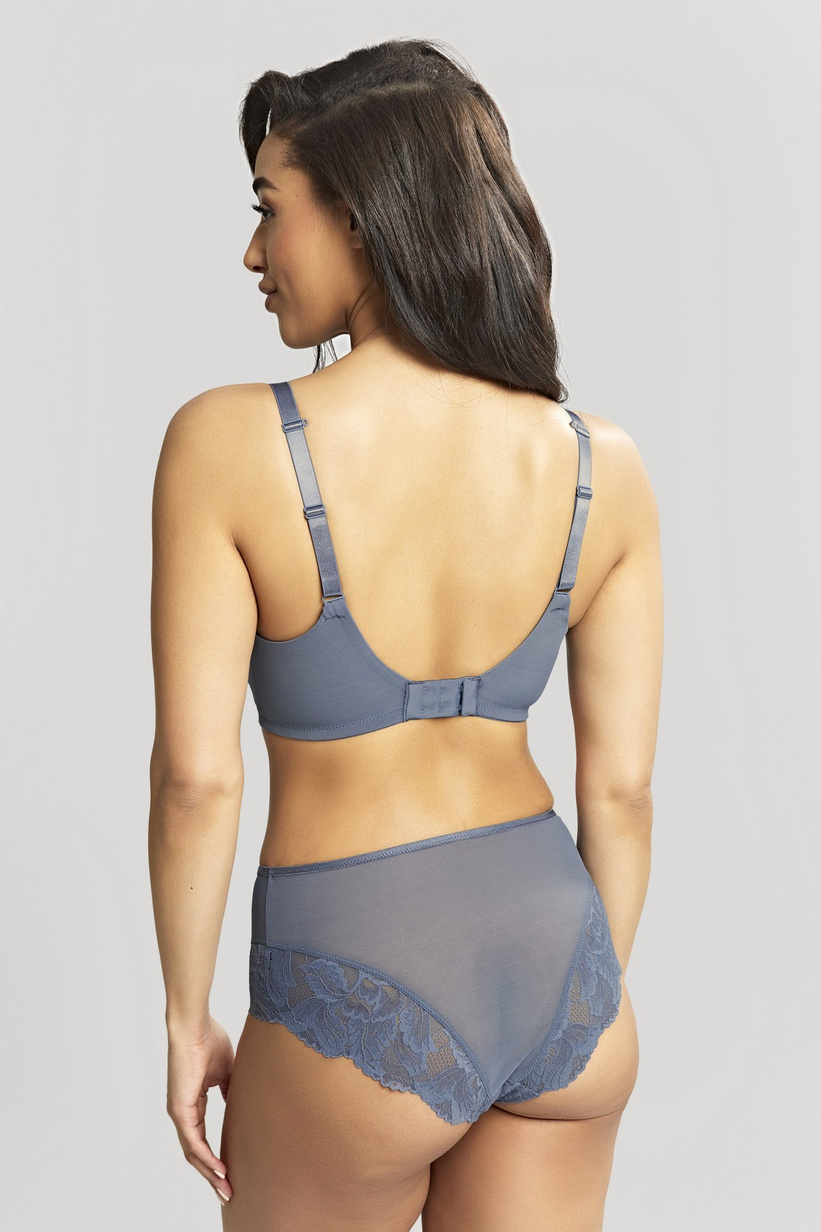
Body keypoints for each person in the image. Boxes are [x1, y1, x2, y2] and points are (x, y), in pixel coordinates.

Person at [148, 37, 662, 1232]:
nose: (253, 253)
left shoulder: (227, 443)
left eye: (269, 209)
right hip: (559, 963)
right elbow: (622, 791)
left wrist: (184, 1014)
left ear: (361, 216)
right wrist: (577, 993)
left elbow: (195, 779)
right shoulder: (602, 464)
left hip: (351, 968)